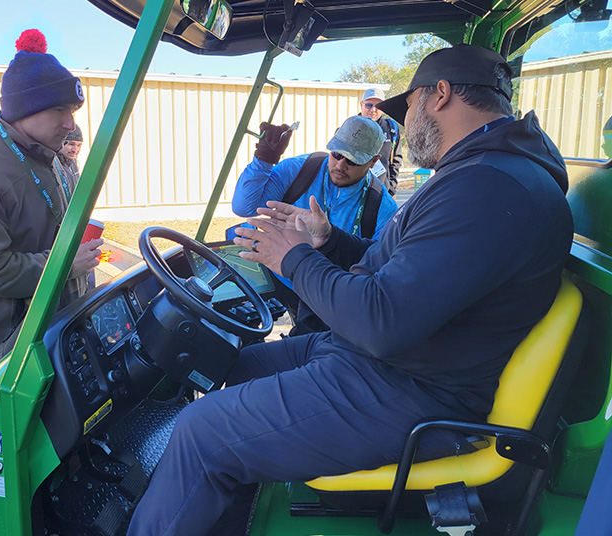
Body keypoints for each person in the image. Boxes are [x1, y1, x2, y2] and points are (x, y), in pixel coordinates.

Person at [127, 44, 574, 536]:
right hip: (379, 361)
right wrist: (327, 241)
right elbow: (406, 271)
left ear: (440, 95)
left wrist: (292, 258)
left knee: (202, 432)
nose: (403, 124)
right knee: (228, 365)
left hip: (410, 390)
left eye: (409, 107)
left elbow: (382, 322)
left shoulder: (490, 187)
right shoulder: (483, 174)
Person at [0, 29, 102, 536]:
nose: (70, 124)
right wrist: (64, 267)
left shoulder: (48, 160)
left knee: (39, 451)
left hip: (40, 336)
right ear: (26, 109)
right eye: (61, 112)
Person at [231, 115, 397, 334]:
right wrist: (264, 159)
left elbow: (381, 266)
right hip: (277, 273)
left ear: (373, 161)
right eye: (337, 153)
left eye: (352, 160)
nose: (340, 165)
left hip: (323, 287)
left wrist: (330, 238)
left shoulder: (382, 205)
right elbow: (244, 207)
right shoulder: (302, 169)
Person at [360, 87, 404, 196]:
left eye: (378, 106)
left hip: (382, 193)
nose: (373, 110)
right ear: (361, 105)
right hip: (356, 193)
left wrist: (391, 189)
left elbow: (396, 161)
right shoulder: (349, 127)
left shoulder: (391, 128)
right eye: (369, 105)